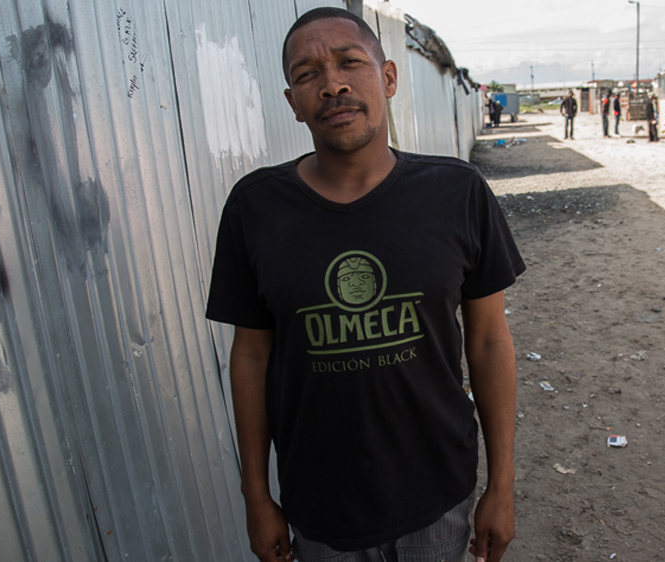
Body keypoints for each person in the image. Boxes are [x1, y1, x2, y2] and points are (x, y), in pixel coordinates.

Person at [205, 7, 524, 562]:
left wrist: (501, 486)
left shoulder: (458, 193)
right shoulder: (255, 208)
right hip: (322, 508)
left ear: (389, 78)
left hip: (439, 496)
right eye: (307, 74)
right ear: (293, 102)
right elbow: (251, 357)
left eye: (350, 62)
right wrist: (256, 496)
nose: (333, 84)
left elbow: (490, 341)